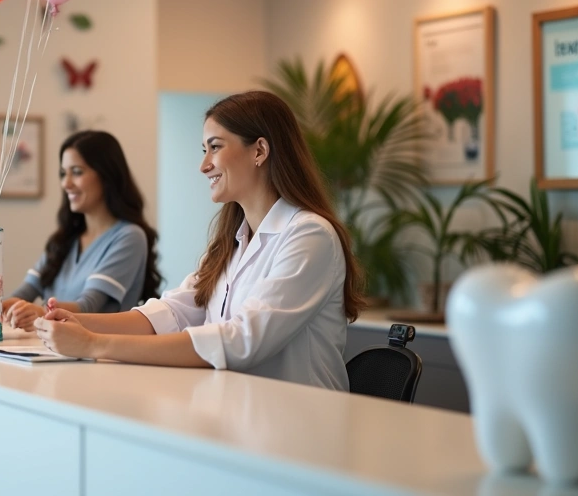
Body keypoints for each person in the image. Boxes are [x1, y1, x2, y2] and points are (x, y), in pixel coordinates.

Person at [34, 91, 364, 391]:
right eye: (204, 150)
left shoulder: (309, 235)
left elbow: (242, 341)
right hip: (238, 412)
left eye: (215, 147)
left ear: (259, 151)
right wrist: (78, 323)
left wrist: (94, 344)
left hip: (300, 427)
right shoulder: (230, 244)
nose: (204, 165)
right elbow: (172, 312)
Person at [2, 131, 162, 330]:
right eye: (63, 173)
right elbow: (26, 291)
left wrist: (40, 313)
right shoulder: (65, 240)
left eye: (77, 172)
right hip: (52, 351)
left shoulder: (129, 237)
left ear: (107, 175)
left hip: (98, 357)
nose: (66, 183)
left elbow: (89, 307)